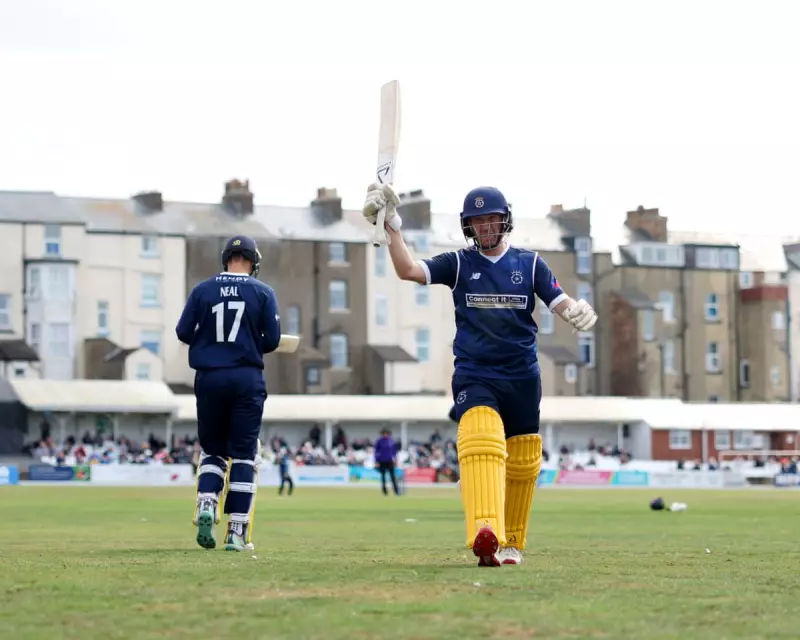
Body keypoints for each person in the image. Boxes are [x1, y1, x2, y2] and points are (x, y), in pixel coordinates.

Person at [362, 183, 597, 567]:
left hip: (522, 376)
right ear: (467, 226)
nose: (485, 227)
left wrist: (575, 311)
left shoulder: (530, 264)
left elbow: (560, 301)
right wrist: (392, 226)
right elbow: (407, 270)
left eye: (491, 219)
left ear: (505, 221)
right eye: (477, 221)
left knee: (522, 462)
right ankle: (485, 532)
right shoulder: (459, 263)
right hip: (476, 374)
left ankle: (512, 543)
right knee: (481, 439)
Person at [176, 234, 281, 552]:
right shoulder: (263, 292)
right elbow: (272, 340)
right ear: (253, 261)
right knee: (245, 454)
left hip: (209, 377)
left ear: (226, 259)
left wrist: (210, 341)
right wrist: (247, 341)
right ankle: (236, 531)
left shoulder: (202, 290)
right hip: (246, 378)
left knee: (213, 451)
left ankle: (207, 502)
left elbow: (183, 331)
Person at [374, 428, 400, 496]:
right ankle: (384, 491)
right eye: (384, 433)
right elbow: (376, 452)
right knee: (383, 477)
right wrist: (376, 461)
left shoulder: (391, 441)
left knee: (392, 476)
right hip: (382, 461)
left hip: (390, 461)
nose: (385, 435)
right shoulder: (379, 441)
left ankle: (396, 491)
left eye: (386, 433)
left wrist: (396, 460)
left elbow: (394, 452)